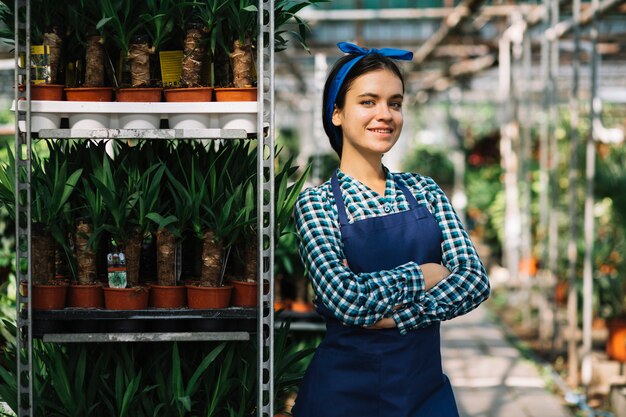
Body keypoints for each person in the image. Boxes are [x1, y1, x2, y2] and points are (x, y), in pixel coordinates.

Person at [291, 42, 490, 417]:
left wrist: (396, 318)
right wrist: (425, 274)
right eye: (368, 101)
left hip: (424, 394)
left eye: (394, 103)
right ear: (336, 113)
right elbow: (345, 299)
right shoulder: (316, 204)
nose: (385, 114)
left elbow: (474, 282)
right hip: (342, 397)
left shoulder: (424, 190)